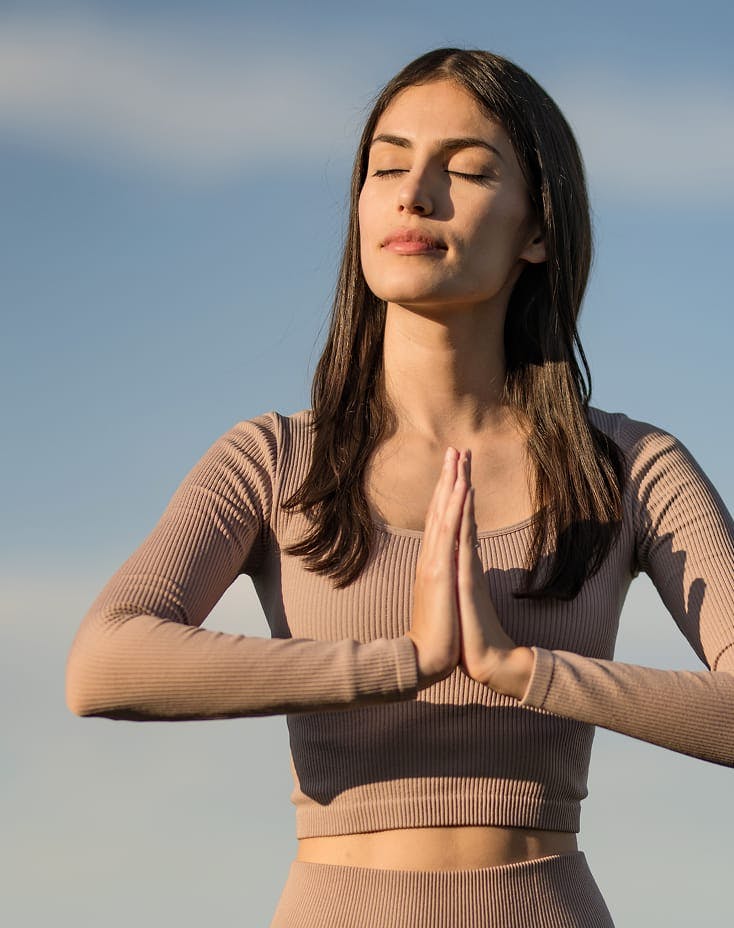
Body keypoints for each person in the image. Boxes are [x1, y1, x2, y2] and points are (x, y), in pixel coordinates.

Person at [66, 48, 734, 927]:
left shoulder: (631, 469)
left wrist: (521, 669)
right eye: (387, 166)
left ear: (538, 229)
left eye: (465, 170)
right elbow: (103, 664)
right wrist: (399, 664)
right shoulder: (272, 462)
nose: (414, 194)